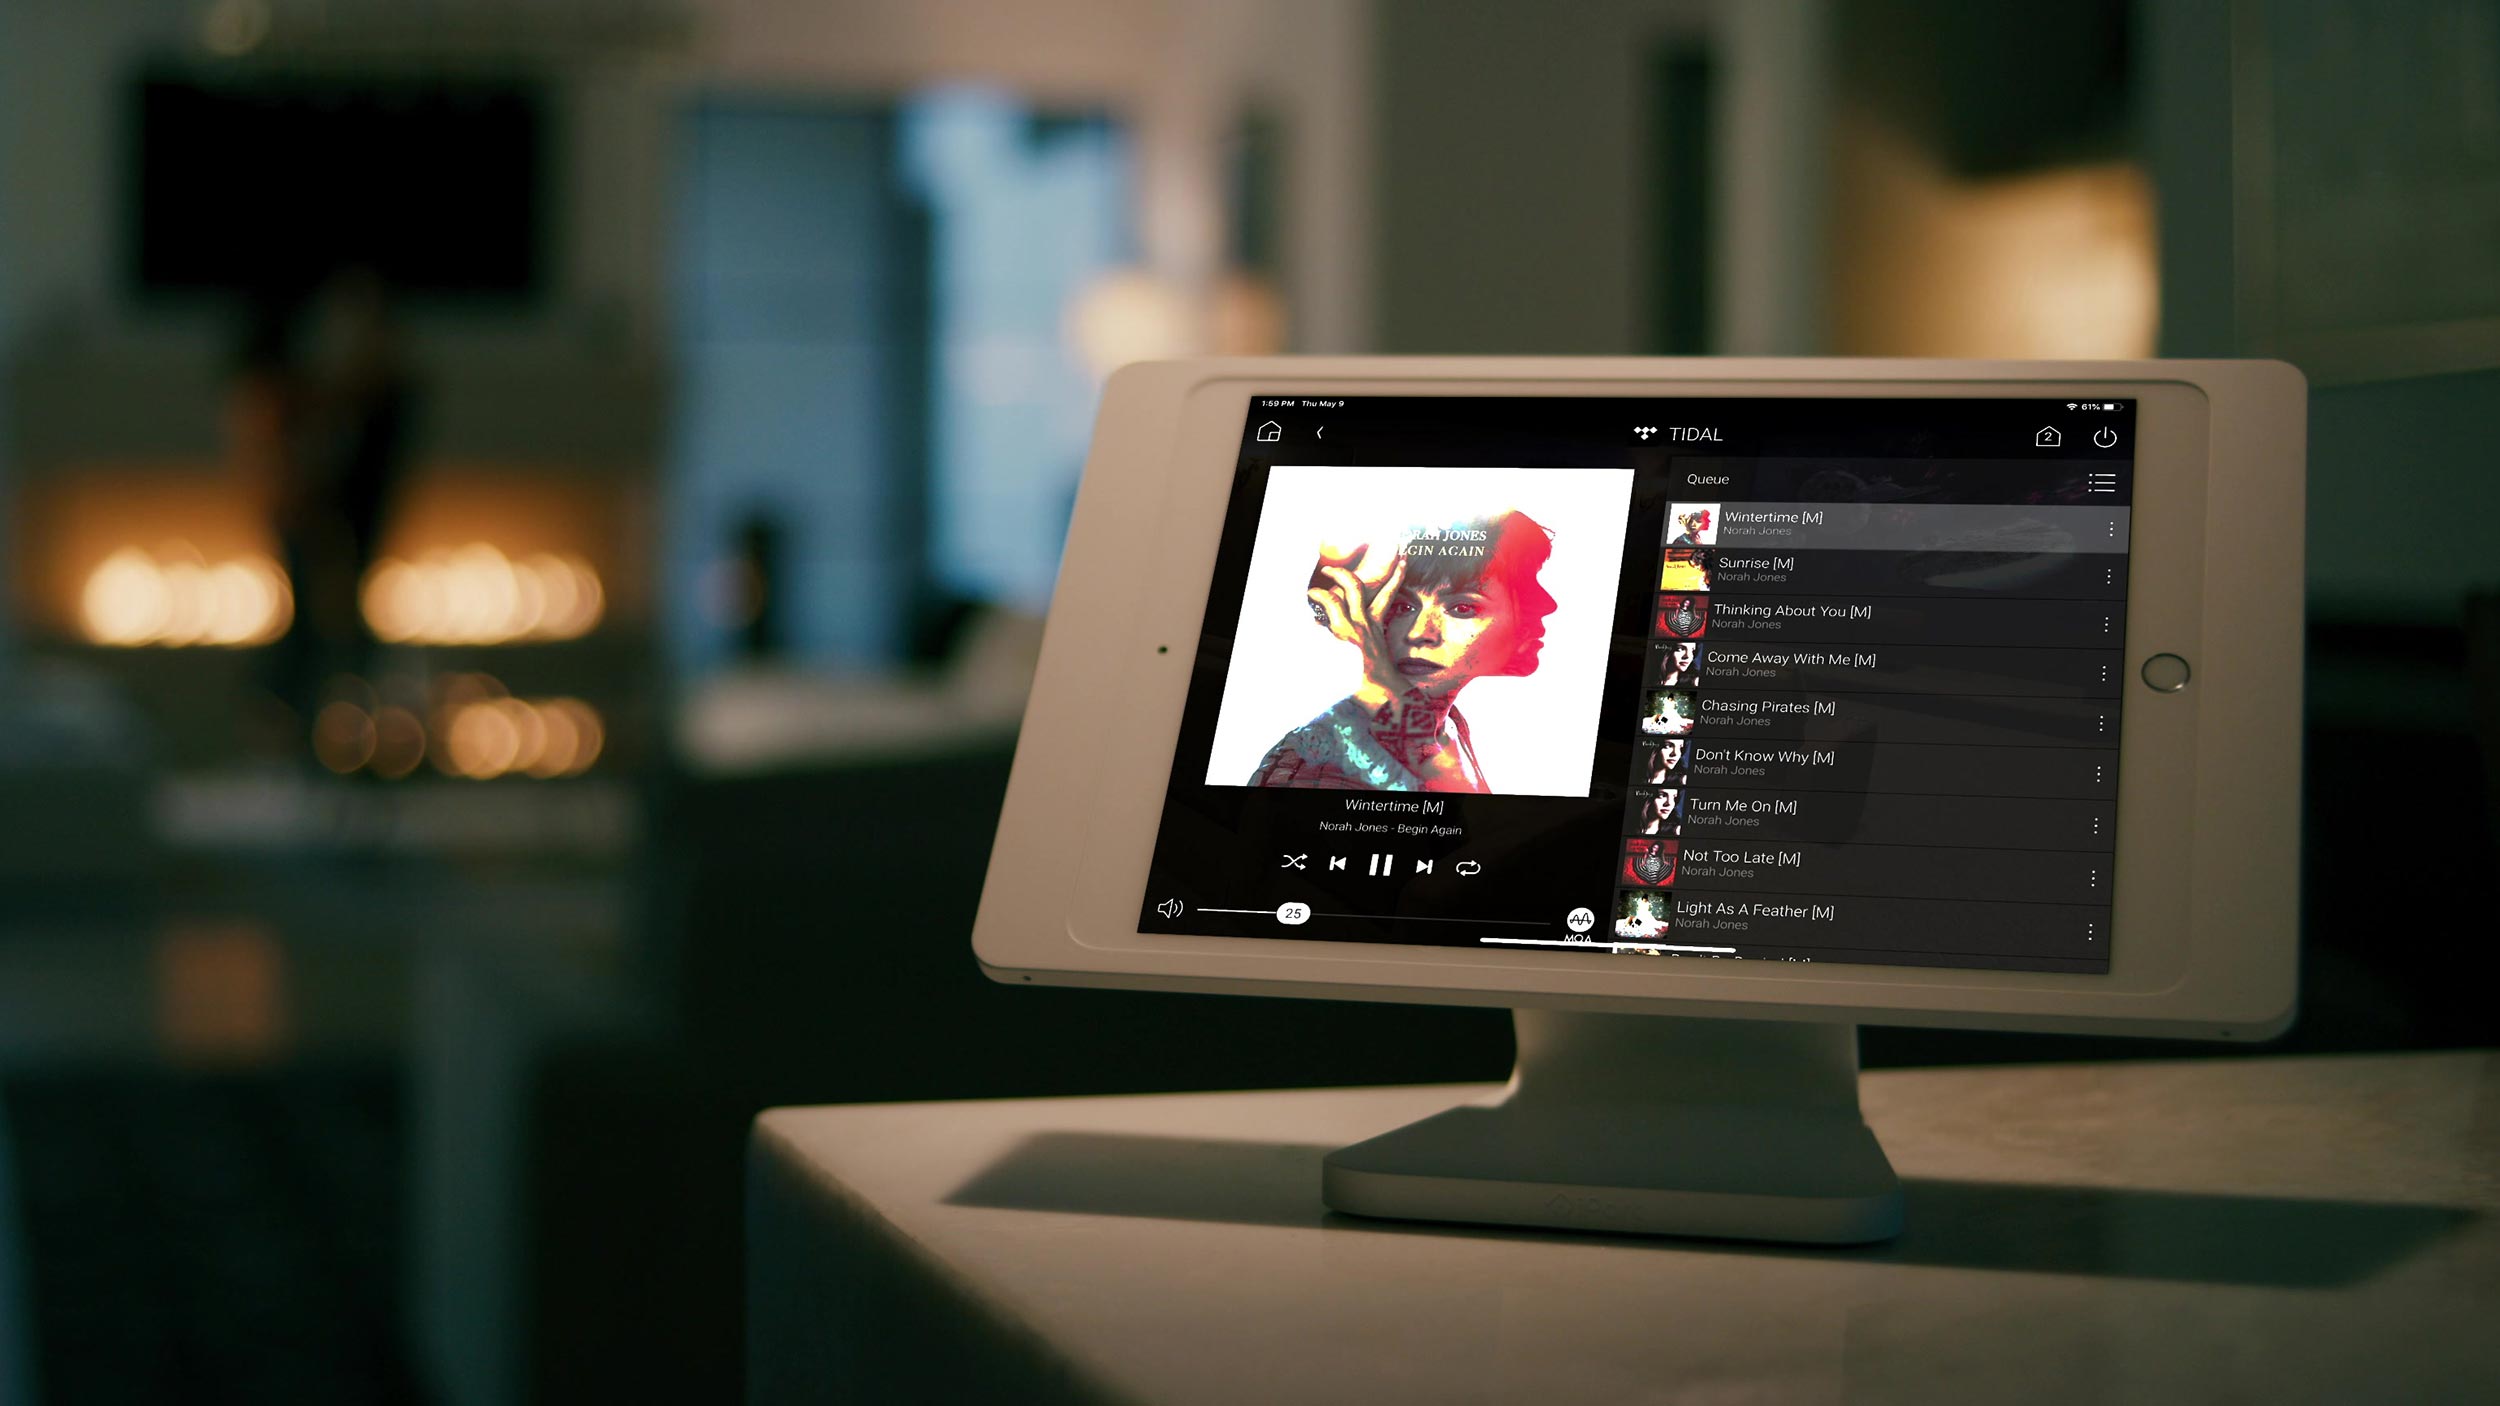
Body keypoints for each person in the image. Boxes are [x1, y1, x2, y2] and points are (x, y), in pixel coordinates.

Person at [1249, 510, 1557, 791]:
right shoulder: (1321, 762)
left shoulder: (1447, 724)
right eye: (1402, 605)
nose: (1420, 632)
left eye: (1461, 607)